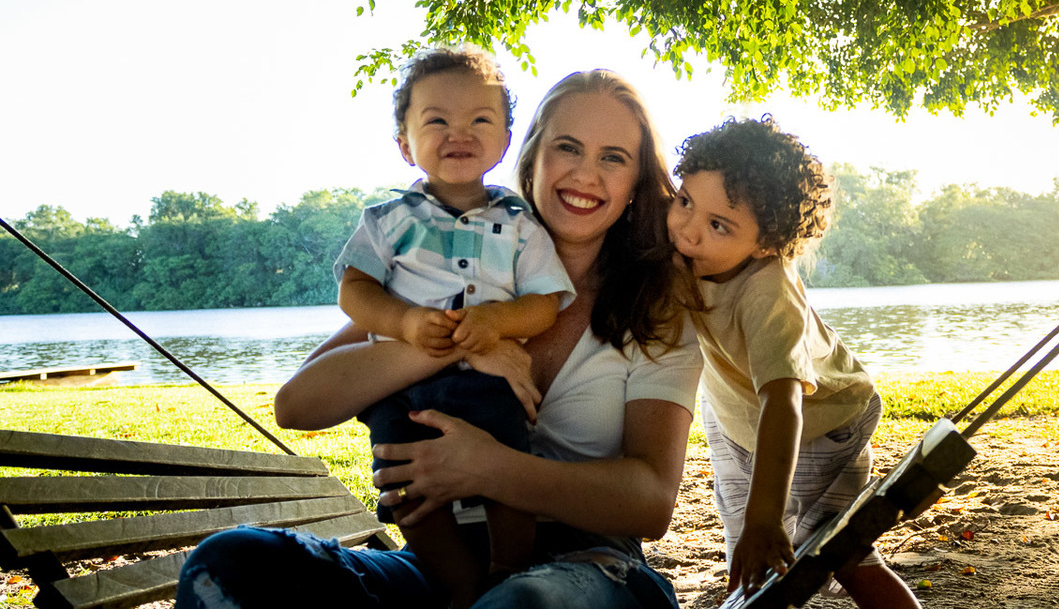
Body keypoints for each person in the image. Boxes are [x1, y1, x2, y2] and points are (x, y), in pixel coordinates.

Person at [175, 69, 703, 609]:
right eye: (567, 147)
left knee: (521, 604)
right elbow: (296, 405)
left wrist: (489, 469)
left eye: (613, 157)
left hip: (591, 567)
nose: (586, 174)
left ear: (636, 180)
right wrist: (462, 340)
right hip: (447, 567)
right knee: (229, 563)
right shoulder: (437, 272)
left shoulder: (653, 306)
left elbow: (651, 502)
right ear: (532, 156)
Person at [333, 48, 575, 606]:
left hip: (486, 381)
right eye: (436, 119)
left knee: (506, 468)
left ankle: (509, 568)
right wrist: (406, 322)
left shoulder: (520, 224)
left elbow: (546, 303)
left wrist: (494, 321)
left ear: (506, 139)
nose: (458, 133)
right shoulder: (386, 221)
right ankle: (456, 584)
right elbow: (355, 291)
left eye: (479, 120)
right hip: (399, 388)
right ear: (403, 142)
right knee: (405, 487)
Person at [666, 116, 921, 607]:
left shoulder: (767, 291)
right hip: (735, 421)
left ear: (765, 243)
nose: (688, 232)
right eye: (685, 202)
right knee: (746, 556)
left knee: (839, 553)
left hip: (820, 426)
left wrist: (766, 518)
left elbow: (784, 404)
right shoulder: (690, 249)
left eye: (718, 225)